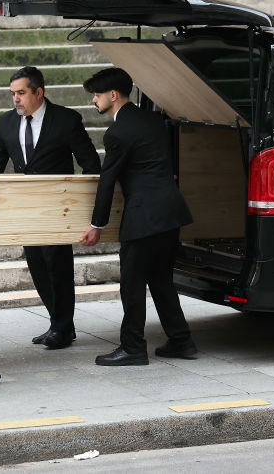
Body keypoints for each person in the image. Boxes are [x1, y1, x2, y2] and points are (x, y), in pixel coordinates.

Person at [80, 67, 198, 366]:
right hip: (170, 212)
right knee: (161, 280)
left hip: (143, 218)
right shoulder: (153, 120)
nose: (94, 100)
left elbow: (108, 180)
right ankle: (181, 340)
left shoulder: (117, 132)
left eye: (97, 95)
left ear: (113, 95)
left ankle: (133, 347)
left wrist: (97, 225)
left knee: (132, 284)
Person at [0, 66, 101, 350]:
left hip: (59, 209)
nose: (15, 99)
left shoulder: (66, 119)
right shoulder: (6, 123)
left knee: (58, 267)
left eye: (21, 93)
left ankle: (62, 328)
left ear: (39, 92)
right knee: (37, 265)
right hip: (25, 210)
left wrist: (86, 207)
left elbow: (90, 163)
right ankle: (60, 324)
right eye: (13, 94)